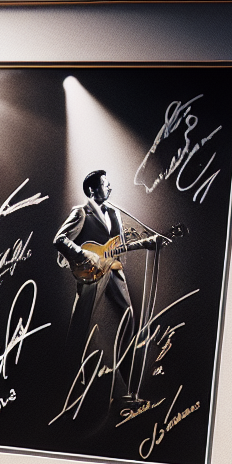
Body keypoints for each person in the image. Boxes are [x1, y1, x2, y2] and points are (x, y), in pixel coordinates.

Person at [53, 170, 160, 403]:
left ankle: (129, 392)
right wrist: (83, 253)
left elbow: (118, 246)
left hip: (113, 269)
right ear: (93, 190)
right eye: (105, 184)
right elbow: (59, 240)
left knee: (128, 322)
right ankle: (67, 389)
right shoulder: (81, 212)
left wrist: (147, 243)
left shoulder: (115, 213)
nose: (110, 187)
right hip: (90, 273)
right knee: (80, 327)